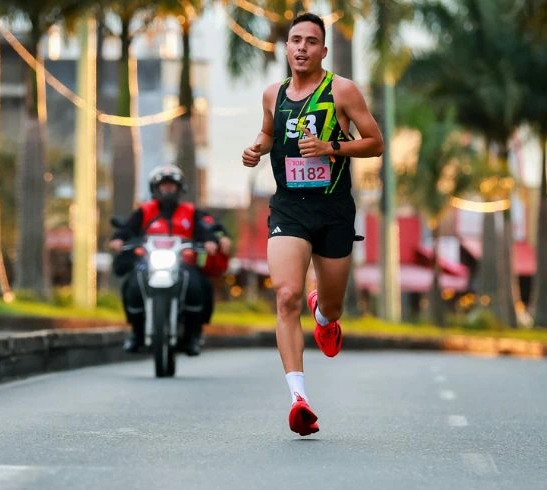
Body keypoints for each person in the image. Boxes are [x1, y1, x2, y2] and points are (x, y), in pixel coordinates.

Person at [241, 12, 384, 436]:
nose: (302, 47)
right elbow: (269, 134)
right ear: (286, 48)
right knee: (286, 296)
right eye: (295, 40)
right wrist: (256, 149)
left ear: (323, 50)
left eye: (310, 41)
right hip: (289, 207)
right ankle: (299, 399)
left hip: (333, 209)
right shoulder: (273, 94)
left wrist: (330, 147)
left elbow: (375, 143)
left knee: (334, 306)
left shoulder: (342, 91)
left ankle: (324, 315)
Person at [109, 165, 232, 357]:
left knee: (199, 286)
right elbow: (127, 229)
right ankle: (136, 333)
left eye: (171, 185)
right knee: (132, 284)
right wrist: (118, 239)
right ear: (155, 188)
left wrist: (211, 241)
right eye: (163, 185)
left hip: (183, 263)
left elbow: (207, 229)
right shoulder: (144, 211)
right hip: (148, 262)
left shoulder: (190, 212)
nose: (167, 189)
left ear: (179, 188)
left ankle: (193, 336)